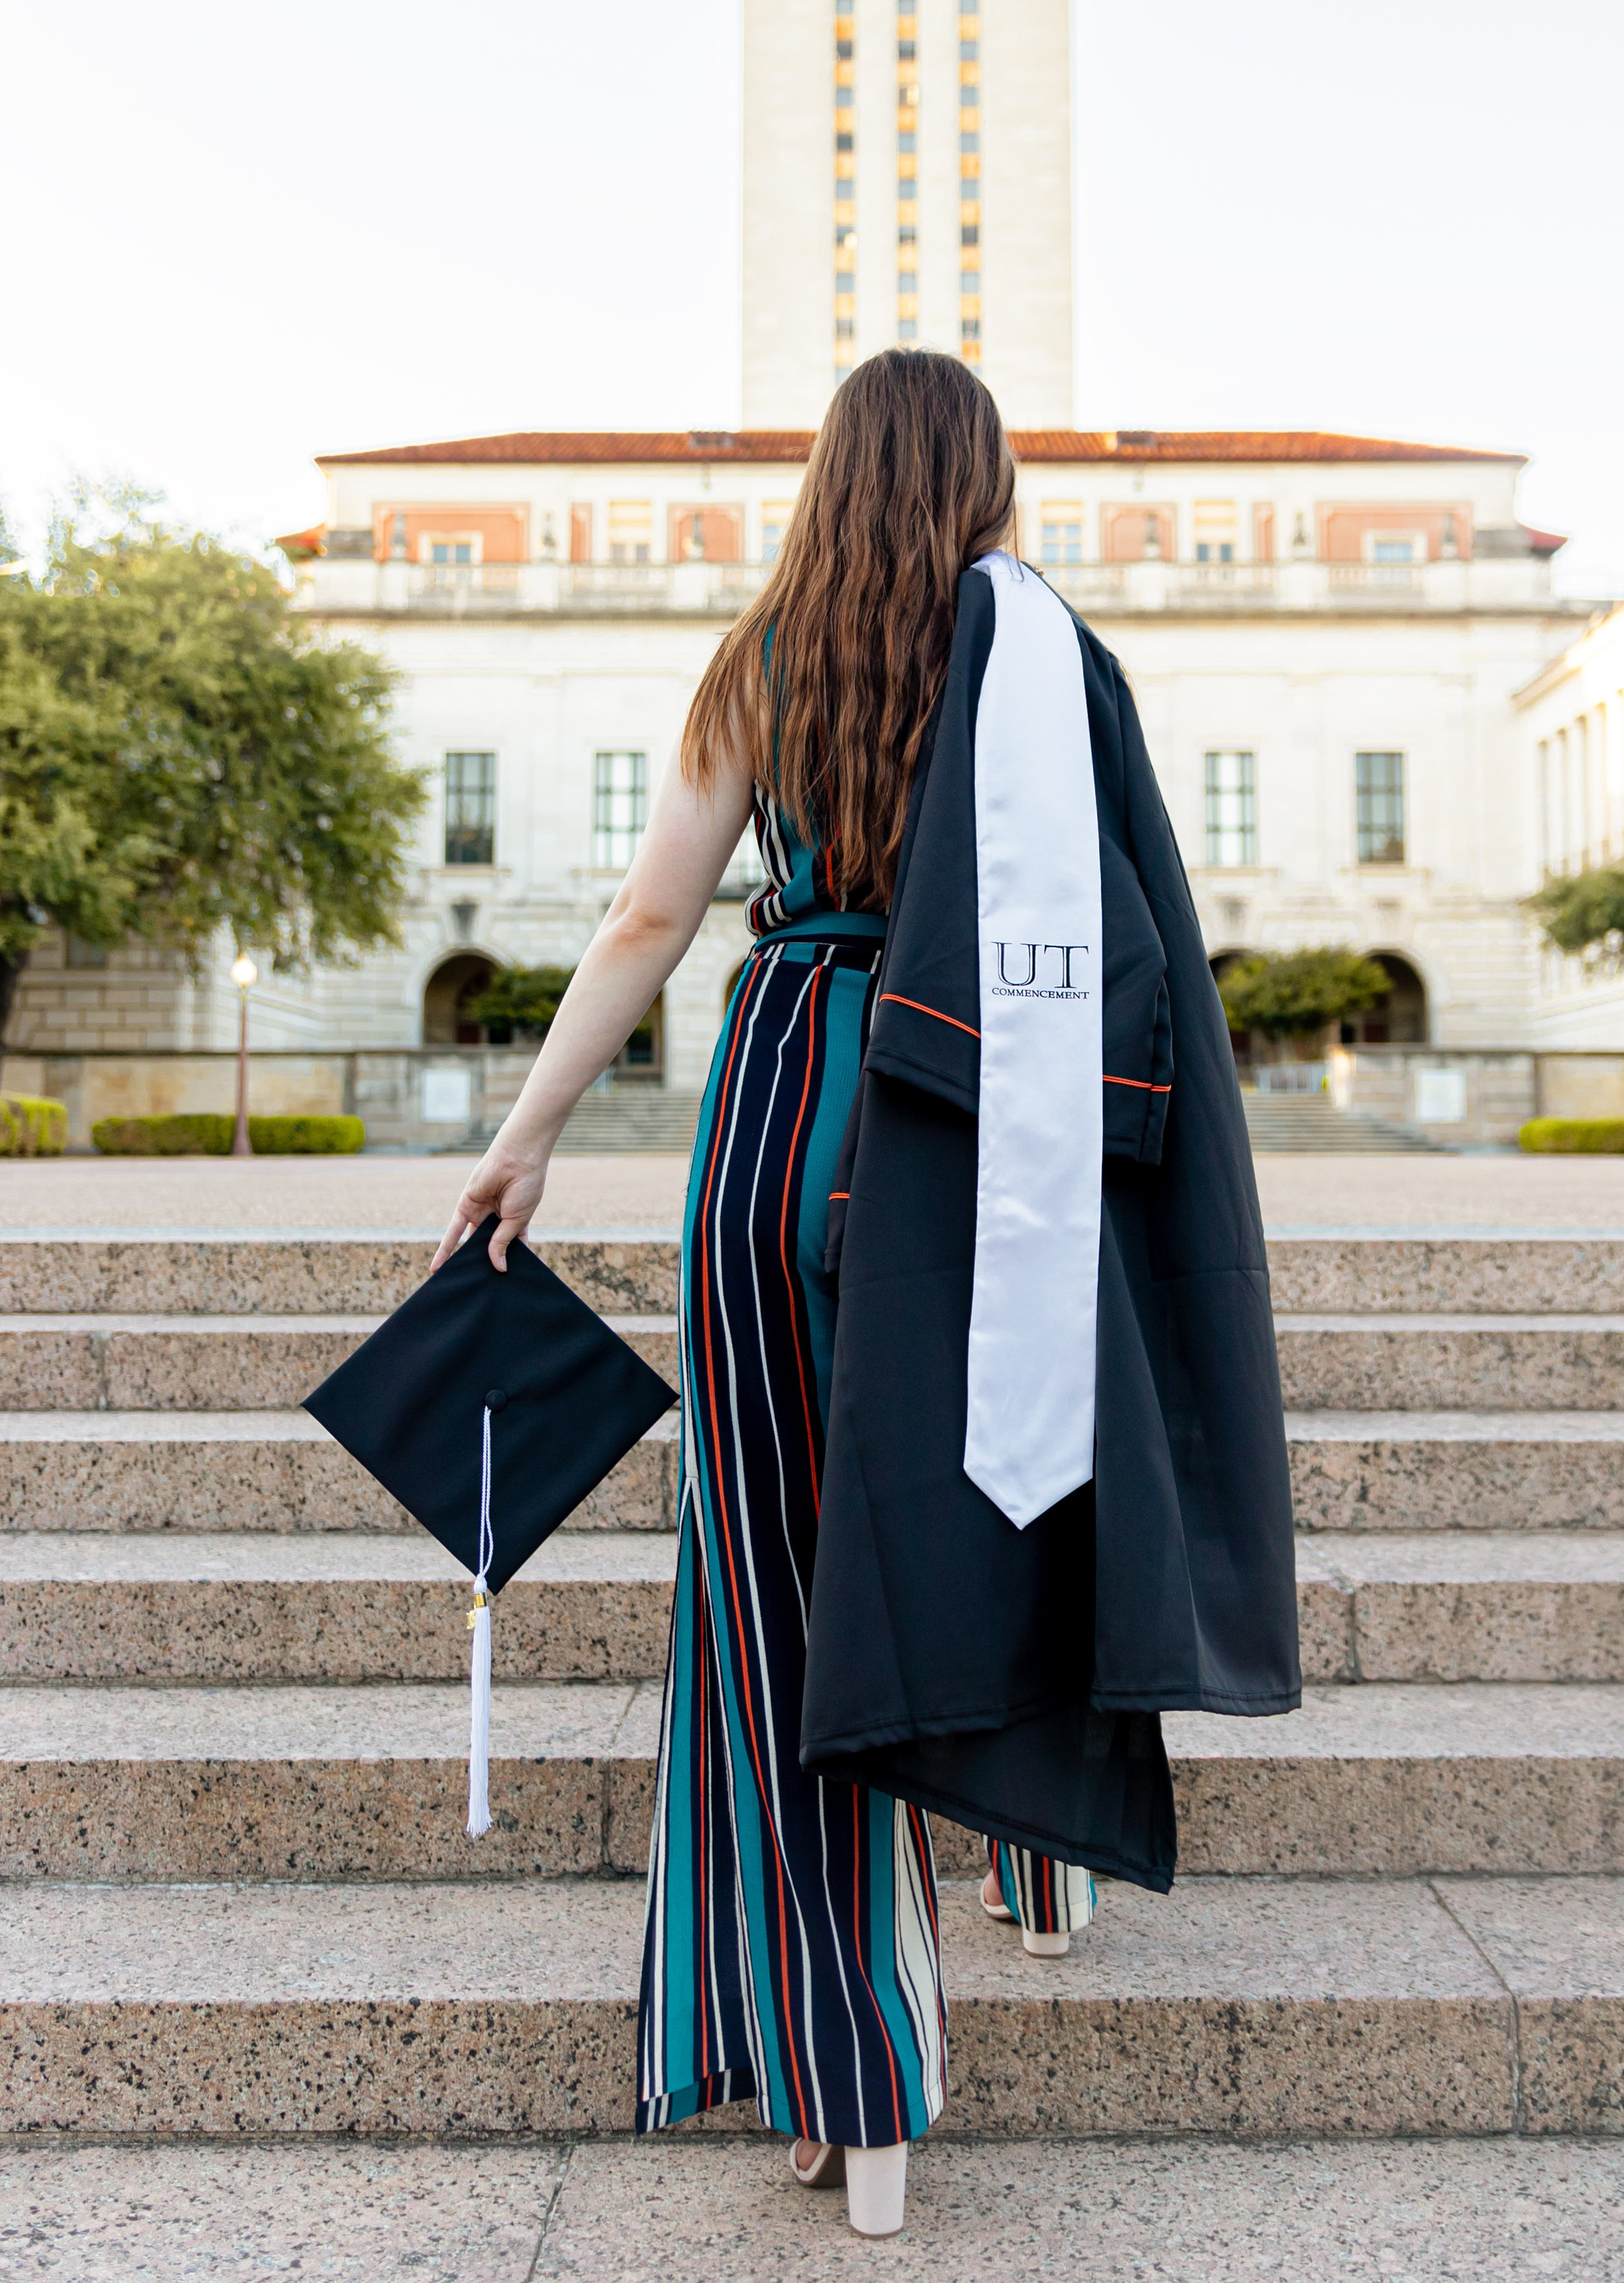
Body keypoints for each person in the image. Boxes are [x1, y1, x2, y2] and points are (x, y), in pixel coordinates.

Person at [430, 353, 1092, 2238]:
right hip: (971, 1127)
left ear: (821, 477)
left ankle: (841, 2068)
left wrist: (529, 1134)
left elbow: (649, 919)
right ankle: (1039, 1873)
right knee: (1005, 1501)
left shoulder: (757, 661)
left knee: (773, 1590)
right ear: (980, 479)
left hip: (783, 1107)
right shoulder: (1029, 657)